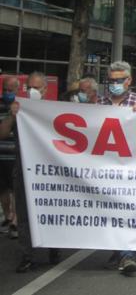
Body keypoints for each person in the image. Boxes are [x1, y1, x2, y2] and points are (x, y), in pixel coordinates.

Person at [1, 72, 62, 272]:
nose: (33, 91)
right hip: (24, 169)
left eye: (38, 87)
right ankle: (28, 255)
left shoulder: (54, 110)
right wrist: (13, 115)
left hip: (48, 172)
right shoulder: (18, 108)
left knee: (51, 210)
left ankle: (54, 247)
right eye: (30, 87)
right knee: (24, 212)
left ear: (45, 90)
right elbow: (2, 133)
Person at [97, 61, 136, 276]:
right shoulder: (99, 102)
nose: (114, 84)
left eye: (119, 80)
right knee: (111, 211)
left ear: (129, 81)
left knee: (128, 210)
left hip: (133, 167)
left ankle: (126, 254)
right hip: (106, 167)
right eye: (111, 80)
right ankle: (120, 252)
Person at [0, 76, 19, 239]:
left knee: (15, 189)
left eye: (10, 90)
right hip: (1, 153)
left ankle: (15, 219)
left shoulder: (23, 106)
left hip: (15, 154)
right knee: (3, 189)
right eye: (4, 89)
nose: (6, 93)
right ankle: (7, 217)